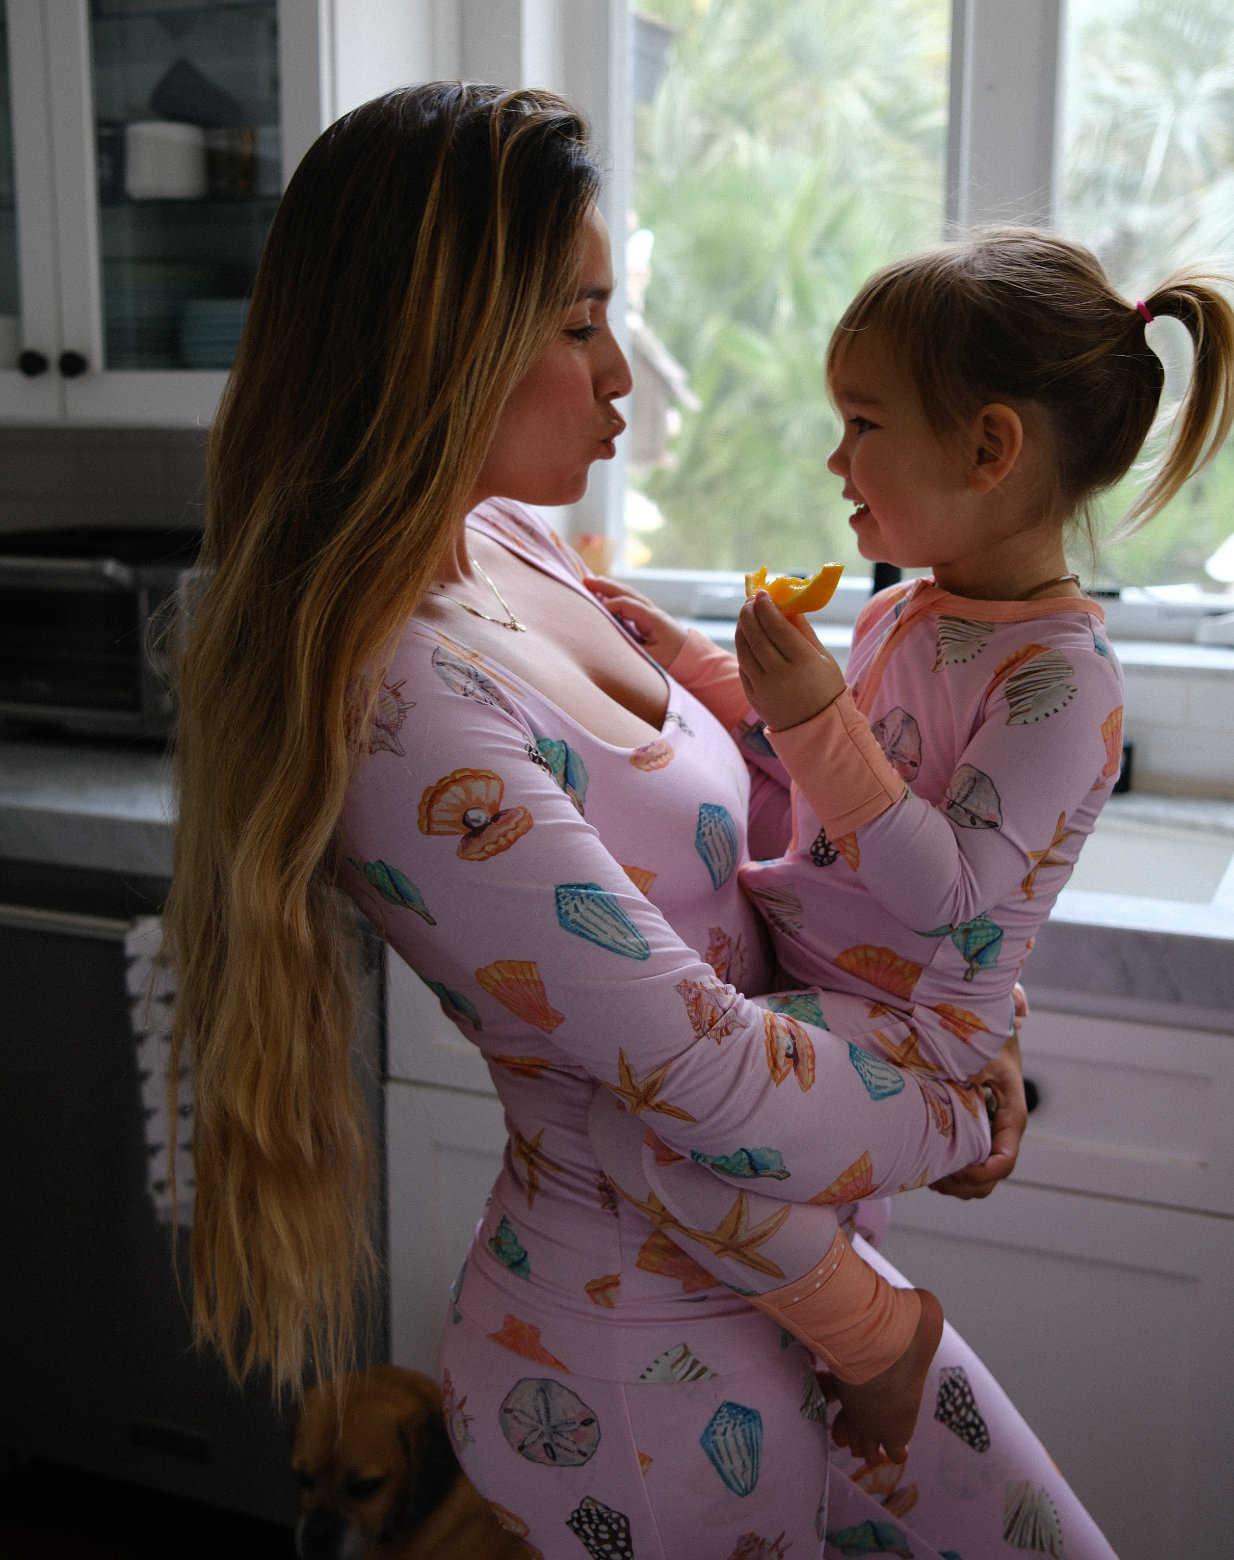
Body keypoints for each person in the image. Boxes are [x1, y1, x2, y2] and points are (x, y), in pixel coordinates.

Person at [164, 85, 1105, 1557]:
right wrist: (905, 1223)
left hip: (781, 1286)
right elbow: (693, 1074)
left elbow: (766, 807)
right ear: (438, 340)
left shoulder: (509, 537)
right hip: (645, 1386)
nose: (621, 377)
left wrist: (962, 982)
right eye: (578, 321)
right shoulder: (397, 706)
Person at [586, 228, 1234, 1495]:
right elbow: (829, 775)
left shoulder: (1062, 679)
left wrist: (811, 714)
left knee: (644, 1136)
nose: (838, 461)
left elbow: (940, 889)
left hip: (913, 1038)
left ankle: (884, 1346)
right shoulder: (903, 608)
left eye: (863, 423)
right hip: (828, 1002)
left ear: (990, 448)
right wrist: (692, 663)